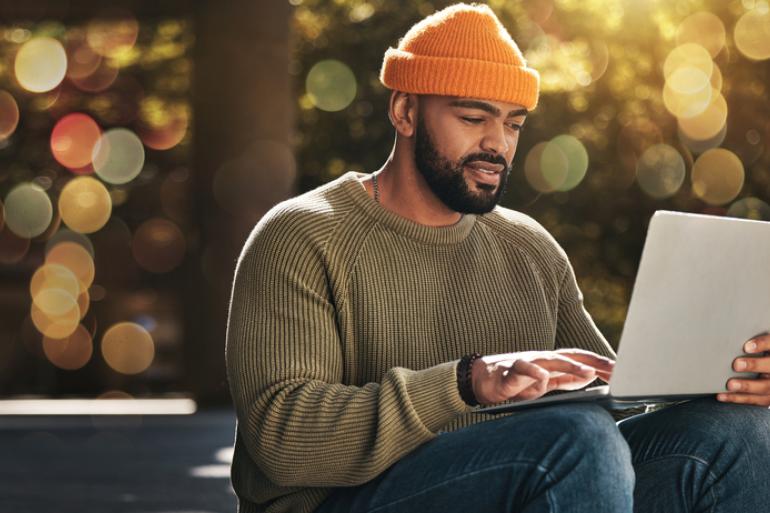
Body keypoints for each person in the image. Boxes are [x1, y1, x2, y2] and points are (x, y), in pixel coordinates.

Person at [225, 4, 770, 512]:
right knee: (577, 441)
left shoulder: (529, 248)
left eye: (512, 123)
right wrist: (464, 384)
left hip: (524, 484)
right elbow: (280, 439)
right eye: (472, 118)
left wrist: (729, 380)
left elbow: (612, 400)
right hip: (344, 502)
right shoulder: (301, 235)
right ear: (405, 110)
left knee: (737, 432)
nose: (497, 145)